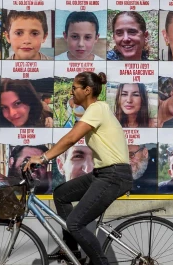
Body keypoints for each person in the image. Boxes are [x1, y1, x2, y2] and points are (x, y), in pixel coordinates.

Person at [20, 72, 131, 265]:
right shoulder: (93, 110)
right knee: (61, 194)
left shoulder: (97, 109)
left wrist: (44, 157)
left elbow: (71, 138)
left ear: (87, 90)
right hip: (103, 173)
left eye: (74, 88)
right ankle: (71, 251)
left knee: (75, 224)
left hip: (114, 175)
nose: (71, 92)